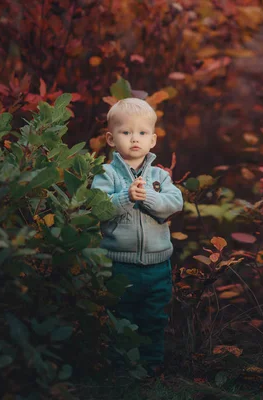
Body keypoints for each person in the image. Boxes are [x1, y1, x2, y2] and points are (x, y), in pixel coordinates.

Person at [91, 98, 184, 377]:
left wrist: (149, 197)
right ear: (110, 138)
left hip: (158, 265)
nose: (135, 139)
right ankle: (121, 368)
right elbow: (97, 207)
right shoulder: (106, 174)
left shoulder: (159, 176)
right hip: (120, 264)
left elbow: (174, 203)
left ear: (153, 140)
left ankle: (152, 365)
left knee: (154, 317)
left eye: (142, 133)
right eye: (126, 132)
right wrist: (125, 197)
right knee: (121, 316)